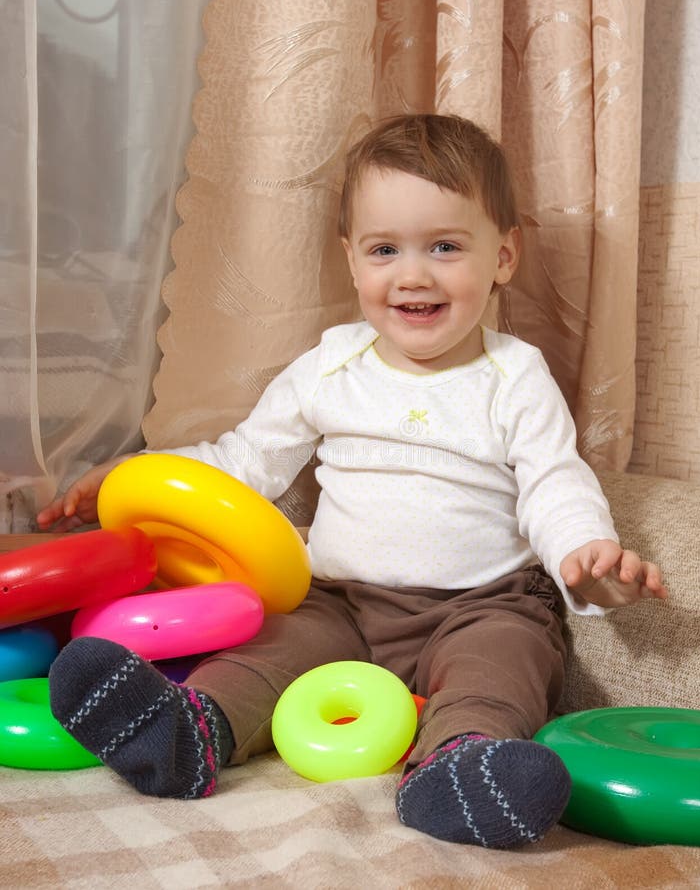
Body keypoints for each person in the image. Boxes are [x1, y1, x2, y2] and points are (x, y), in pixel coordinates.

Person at [38, 114, 667, 850]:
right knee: (268, 647)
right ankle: (187, 730)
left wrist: (587, 558)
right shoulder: (329, 367)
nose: (413, 274)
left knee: (505, 663)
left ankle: (458, 767)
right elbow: (247, 463)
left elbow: (555, 481)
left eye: (444, 246)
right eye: (384, 250)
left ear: (503, 255)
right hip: (338, 599)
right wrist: (144, 474)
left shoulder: (515, 376)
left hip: (479, 603)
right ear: (351, 260)